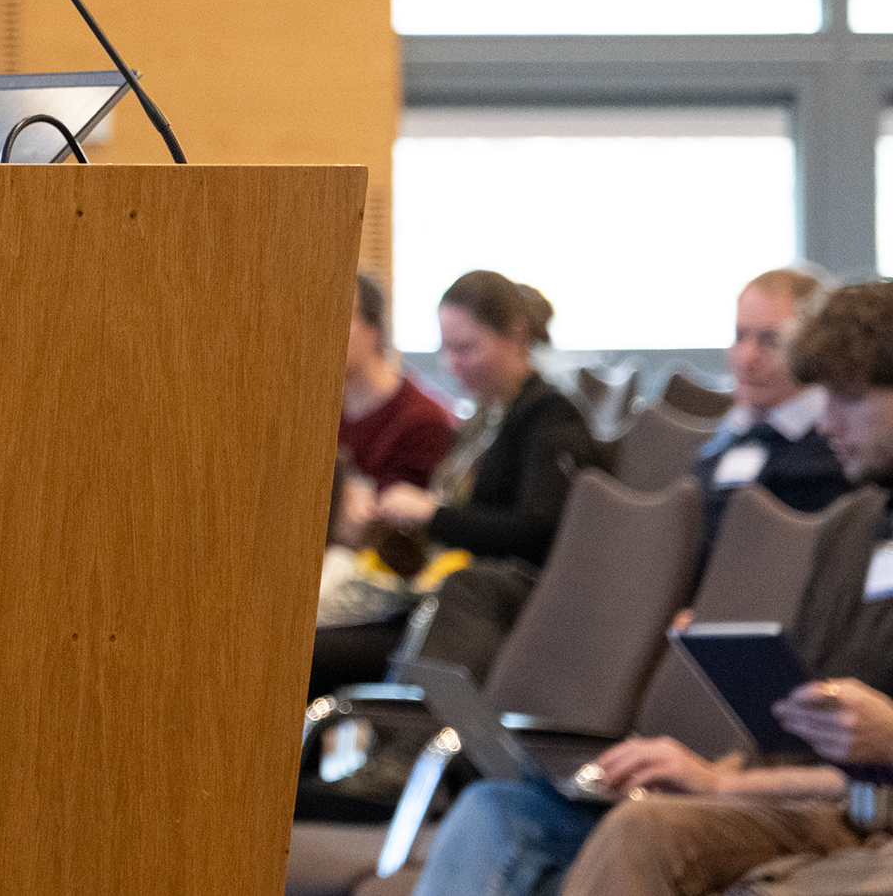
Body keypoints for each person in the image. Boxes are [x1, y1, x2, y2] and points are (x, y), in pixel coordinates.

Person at [410, 281, 893, 896]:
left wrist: (724, 783)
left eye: (850, 400)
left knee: (645, 830)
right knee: (496, 810)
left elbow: (864, 771)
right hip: (794, 788)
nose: (826, 421)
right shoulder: (853, 524)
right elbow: (797, 730)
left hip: (851, 806)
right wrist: (709, 770)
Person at [311, 270, 600, 699]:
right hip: (448, 597)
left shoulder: (549, 417)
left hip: (494, 610)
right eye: (446, 350)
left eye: (466, 348)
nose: (452, 364)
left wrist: (432, 514)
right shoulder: (489, 417)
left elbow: (538, 533)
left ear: (516, 336)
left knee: (307, 654)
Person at [691, 268, 849, 554]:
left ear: (814, 349)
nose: (747, 357)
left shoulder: (829, 452)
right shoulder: (737, 426)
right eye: (740, 336)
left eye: (770, 341)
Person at [340, 270, 458, 502]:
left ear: (374, 328)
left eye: (343, 316)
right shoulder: (317, 414)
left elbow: (409, 516)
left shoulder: (422, 420)